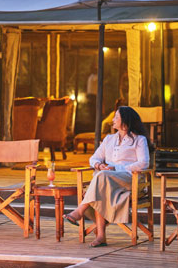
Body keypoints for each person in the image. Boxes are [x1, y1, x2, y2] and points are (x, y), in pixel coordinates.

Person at [64, 106, 150, 247]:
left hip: (129, 179)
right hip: (106, 180)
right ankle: (101, 236)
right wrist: (99, 165)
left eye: (116, 117)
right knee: (101, 182)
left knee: (101, 178)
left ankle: (80, 210)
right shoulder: (109, 139)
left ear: (125, 120)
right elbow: (93, 158)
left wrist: (116, 168)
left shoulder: (139, 140)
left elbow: (144, 163)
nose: (113, 120)